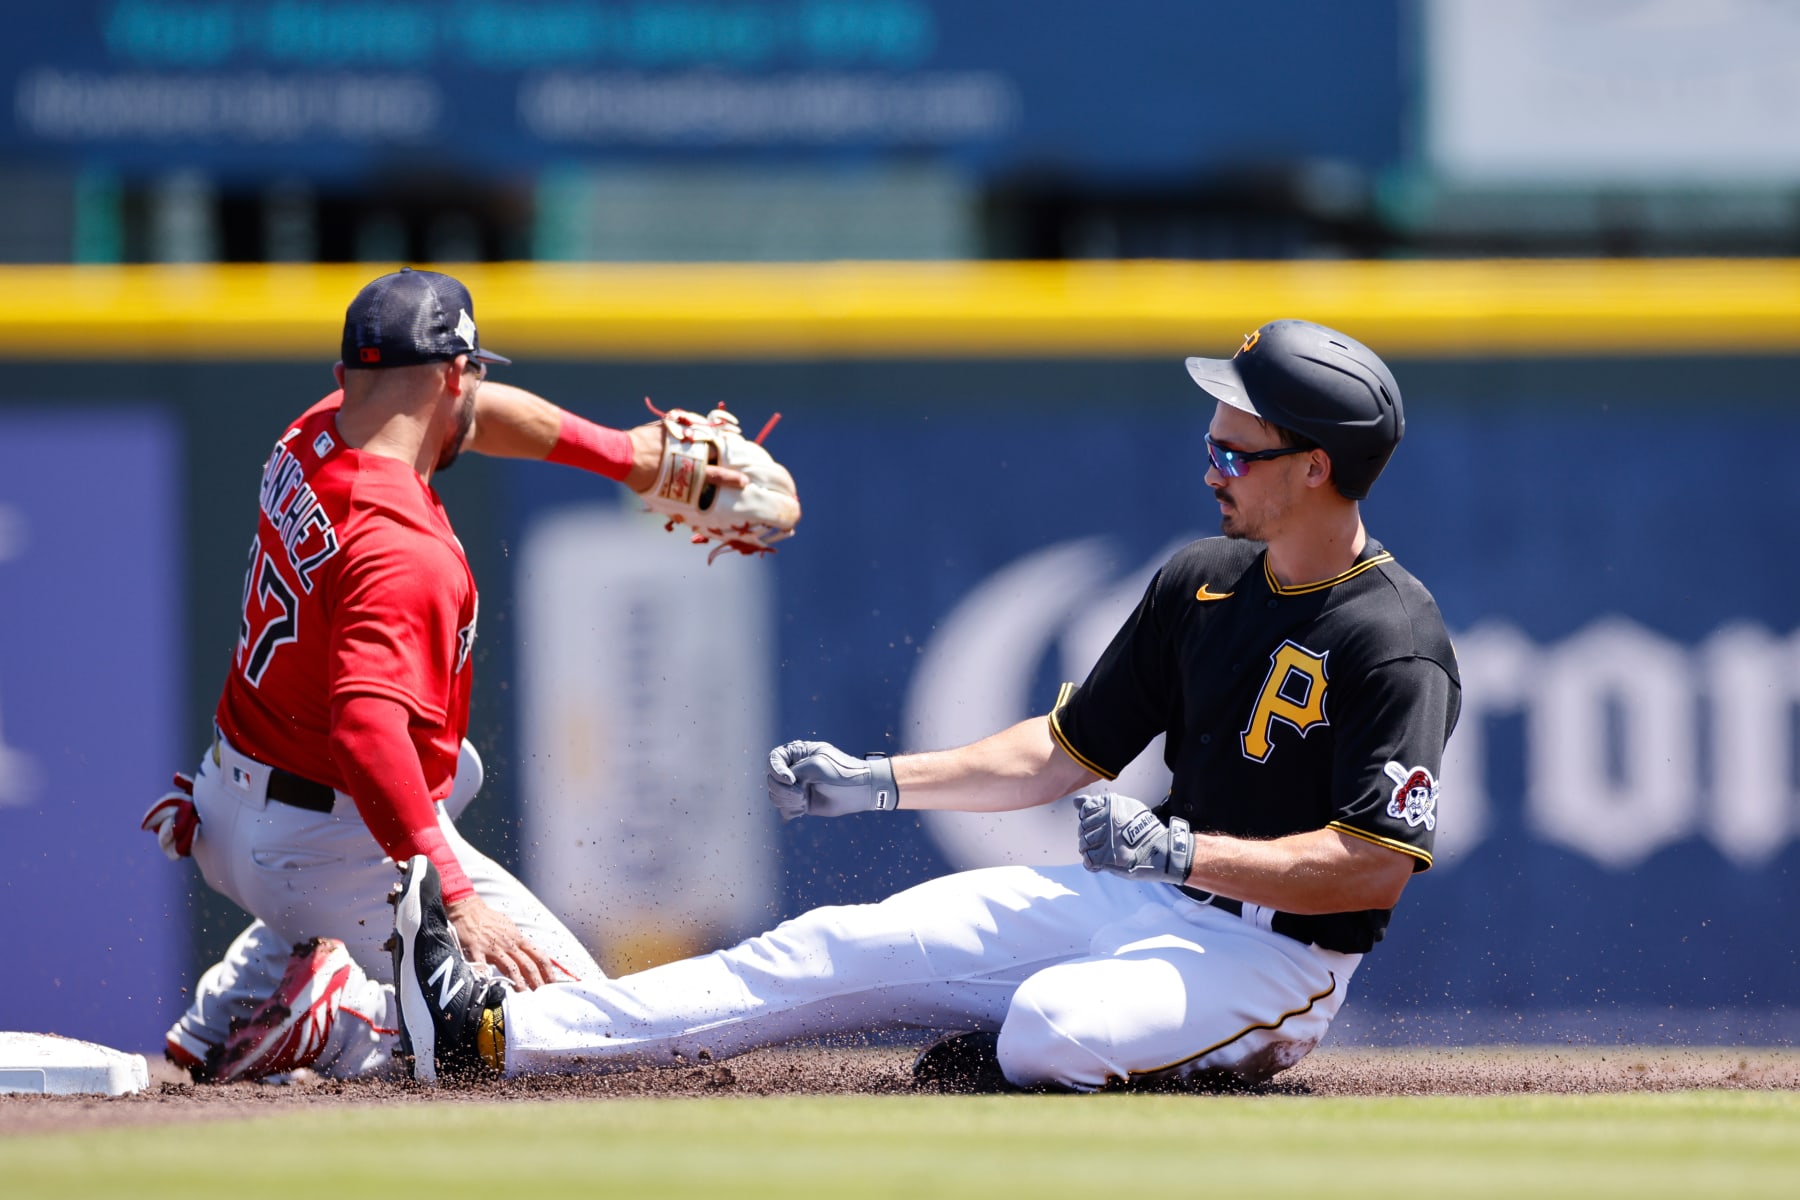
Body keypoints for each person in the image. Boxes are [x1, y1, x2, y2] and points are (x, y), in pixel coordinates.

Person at [390, 318, 1460, 1092]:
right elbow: (1059, 754)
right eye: (1210, 443)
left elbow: (1372, 866)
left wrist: (1185, 856)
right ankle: (494, 1039)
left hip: (1279, 958)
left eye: (1238, 451)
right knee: (828, 947)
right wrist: (879, 782)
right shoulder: (1206, 578)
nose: (1214, 468)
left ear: (1316, 466)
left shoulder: (1391, 637)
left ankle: (1046, 1064)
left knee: (1047, 1031)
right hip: (1151, 907)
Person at [143, 267, 749, 1082]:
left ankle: (253, 986)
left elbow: (469, 416)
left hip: (228, 800)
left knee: (451, 768)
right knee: (583, 1043)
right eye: (474, 374)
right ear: (455, 374)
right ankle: (339, 1018)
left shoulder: (314, 431)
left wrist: (631, 458)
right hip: (327, 843)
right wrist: (459, 899)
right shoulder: (401, 546)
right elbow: (366, 734)